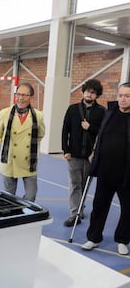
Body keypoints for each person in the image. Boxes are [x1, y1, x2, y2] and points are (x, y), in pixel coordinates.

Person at [82, 82, 130, 255]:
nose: (122, 99)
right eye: (120, 95)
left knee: (127, 209)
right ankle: (93, 238)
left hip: (126, 174)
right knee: (99, 206)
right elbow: (101, 136)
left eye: (127, 96)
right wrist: (95, 151)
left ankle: (122, 240)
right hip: (105, 170)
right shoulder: (109, 113)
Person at [61, 79, 105, 227]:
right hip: (73, 155)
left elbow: (103, 133)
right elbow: (65, 130)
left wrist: (90, 127)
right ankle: (75, 214)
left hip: (90, 157)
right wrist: (65, 150)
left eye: (93, 92)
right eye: (87, 91)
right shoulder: (72, 109)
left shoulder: (102, 112)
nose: (89, 94)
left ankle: (80, 207)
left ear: (97, 95)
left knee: (84, 185)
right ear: (83, 92)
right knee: (75, 185)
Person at [0, 82, 46, 202]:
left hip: (29, 161)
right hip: (9, 159)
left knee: (31, 195)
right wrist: (10, 145)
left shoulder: (38, 116)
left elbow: (40, 135)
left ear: (31, 97)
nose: (21, 98)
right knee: (8, 196)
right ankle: (10, 215)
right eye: (19, 94)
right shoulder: (4, 113)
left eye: (25, 95)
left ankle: (24, 212)